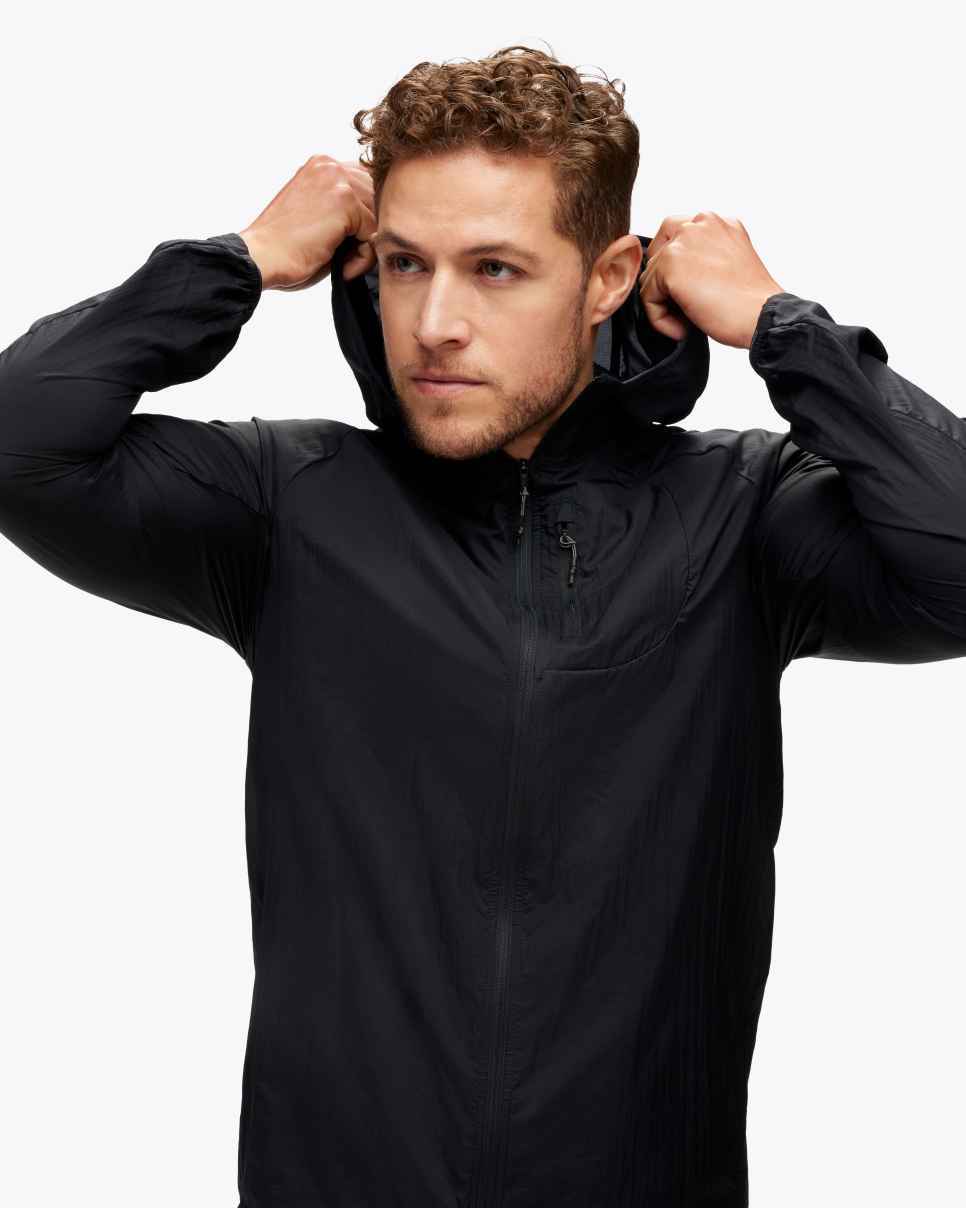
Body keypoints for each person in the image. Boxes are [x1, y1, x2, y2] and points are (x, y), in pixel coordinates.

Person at [1, 42, 964, 1208]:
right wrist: (240, 258)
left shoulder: (740, 517)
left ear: (609, 278)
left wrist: (780, 322)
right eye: (406, 264)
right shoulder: (289, 505)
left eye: (496, 269)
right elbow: (20, 442)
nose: (436, 322)